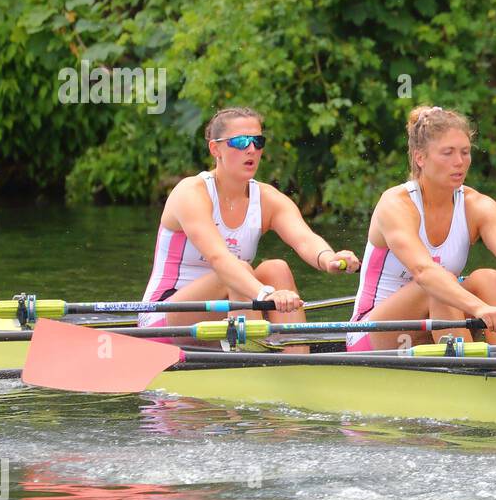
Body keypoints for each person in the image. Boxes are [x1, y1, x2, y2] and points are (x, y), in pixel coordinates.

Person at [346, 106, 496, 352]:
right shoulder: (396, 204)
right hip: (371, 336)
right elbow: (423, 272)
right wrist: (480, 309)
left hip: (436, 322)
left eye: (465, 152)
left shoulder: (478, 206)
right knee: (436, 284)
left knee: (489, 278)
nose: (459, 162)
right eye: (448, 153)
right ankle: (470, 372)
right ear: (420, 158)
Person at [137, 107, 360, 346]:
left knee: (277, 268)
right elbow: (219, 259)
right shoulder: (191, 193)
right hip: (163, 319)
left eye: (257, 141)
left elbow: (305, 238)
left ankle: (296, 361)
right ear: (215, 149)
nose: (251, 149)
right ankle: (255, 361)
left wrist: (329, 259)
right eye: (240, 142)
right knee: (235, 271)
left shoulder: (267, 198)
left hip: (228, 310)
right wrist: (265, 295)